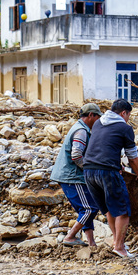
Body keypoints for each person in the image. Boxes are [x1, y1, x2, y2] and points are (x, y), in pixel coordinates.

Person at [83, 99, 138, 258]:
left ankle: (116, 243)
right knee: (123, 211)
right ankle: (119, 247)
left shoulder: (98, 123)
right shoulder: (124, 128)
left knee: (109, 210)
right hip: (107, 172)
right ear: (124, 113)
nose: (128, 119)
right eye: (128, 115)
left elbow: (103, 145)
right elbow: (132, 157)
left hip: (88, 171)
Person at [50, 103, 102, 247]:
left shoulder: (79, 127)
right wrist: (89, 169)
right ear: (91, 115)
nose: (98, 121)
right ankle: (70, 236)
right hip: (72, 176)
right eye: (97, 117)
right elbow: (77, 155)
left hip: (70, 175)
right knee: (89, 208)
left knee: (87, 208)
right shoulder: (81, 131)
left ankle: (91, 243)